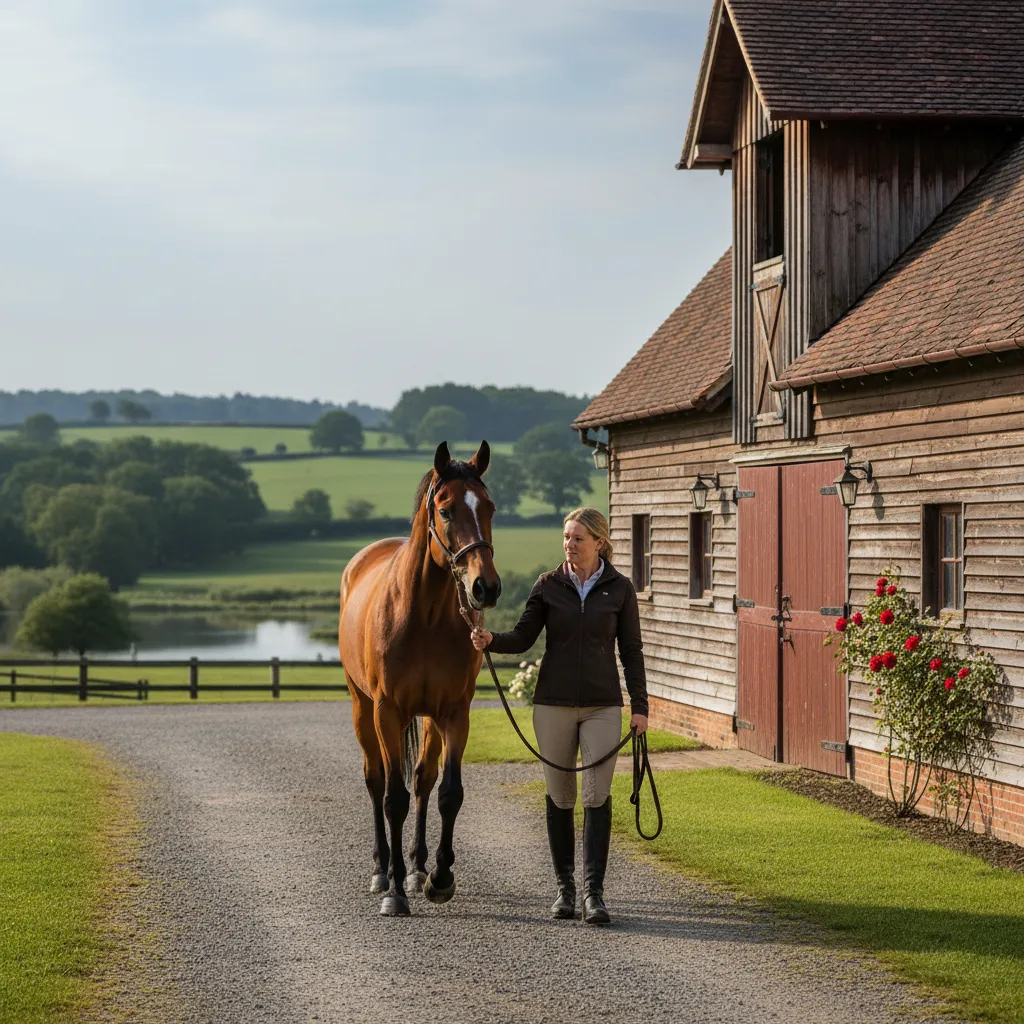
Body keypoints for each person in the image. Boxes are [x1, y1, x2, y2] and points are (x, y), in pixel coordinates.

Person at [471, 507, 648, 925]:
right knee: (560, 796)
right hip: (552, 705)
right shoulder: (547, 585)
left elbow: (632, 652)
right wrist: (491, 639)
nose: (569, 545)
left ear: (599, 543)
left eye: (577, 538)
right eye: (566, 537)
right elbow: (524, 636)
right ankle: (565, 890)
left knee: (597, 795)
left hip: (603, 705)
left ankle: (594, 894)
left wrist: (639, 706)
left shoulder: (619, 589)